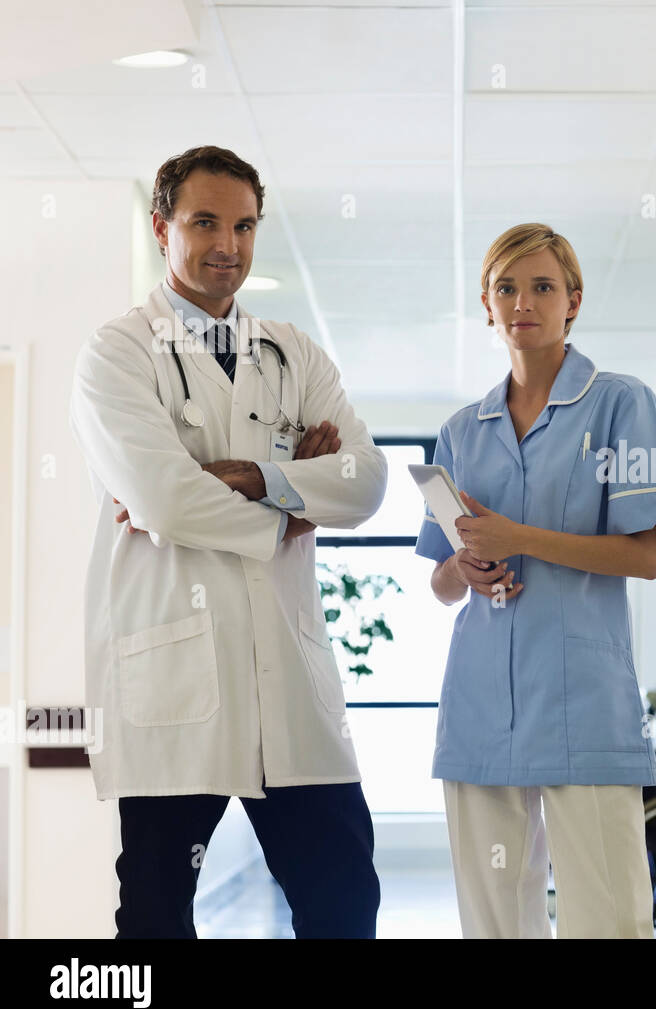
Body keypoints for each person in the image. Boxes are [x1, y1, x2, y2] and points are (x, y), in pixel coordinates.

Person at [68, 145, 388, 938]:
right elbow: (164, 502)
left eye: (244, 225)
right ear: (162, 227)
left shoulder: (293, 352)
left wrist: (259, 479)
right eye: (204, 222)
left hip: (289, 680)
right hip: (176, 681)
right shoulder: (116, 353)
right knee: (154, 912)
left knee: (344, 899)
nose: (228, 246)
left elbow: (367, 481)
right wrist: (297, 508)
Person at [415, 223, 656, 939]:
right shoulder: (460, 431)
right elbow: (440, 585)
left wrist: (519, 538)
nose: (522, 301)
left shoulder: (624, 404)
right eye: (506, 288)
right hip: (479, 704)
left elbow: (645, 554)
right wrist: (464, 565)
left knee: (610, 921)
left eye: (542, 286)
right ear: (486, 304)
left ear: (574, 301)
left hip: (583, 705)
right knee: (494, 925)